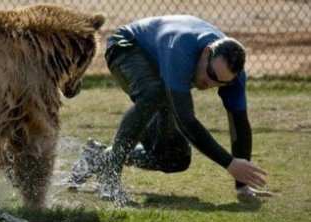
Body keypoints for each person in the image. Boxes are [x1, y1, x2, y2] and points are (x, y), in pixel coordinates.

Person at [68, 15, 273, 205]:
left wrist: (242, 185)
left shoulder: (232, 78)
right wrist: (229, 163)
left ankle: (98, 158)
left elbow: (239, 123)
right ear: (206, 52)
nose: (209, 83)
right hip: (126, 46)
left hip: (159, 69)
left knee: (175, 158)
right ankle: (110, 179)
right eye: (210, 73)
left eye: (219, 82)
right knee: (153, 94)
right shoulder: (181, 48)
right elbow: (186, 120)